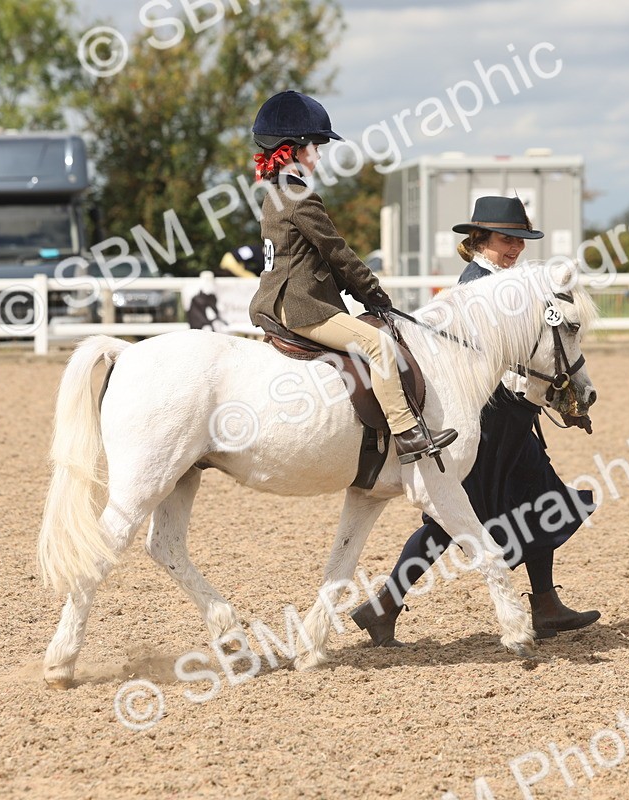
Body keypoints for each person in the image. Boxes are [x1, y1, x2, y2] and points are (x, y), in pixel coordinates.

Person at [351, 196, 601, 644]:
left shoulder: (511, 285)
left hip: (514, 416)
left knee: (538, 497)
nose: (515, 249)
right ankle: (384, 604)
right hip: (488, 420)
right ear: (480, 239)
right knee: (451, 517)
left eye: (520, 240)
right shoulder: (477, 286)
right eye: (507, 239)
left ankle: (544, 604)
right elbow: (482, 363)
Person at [247, 90, 456, 463]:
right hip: (302, 310)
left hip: (272, 303)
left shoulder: (273, 194)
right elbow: (336, 251)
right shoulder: (299, 196)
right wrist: (372, 292)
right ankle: (407, 432)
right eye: (315, 145)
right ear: (294, 149)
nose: (320, 154)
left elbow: (304, 259)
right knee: (380, 345)